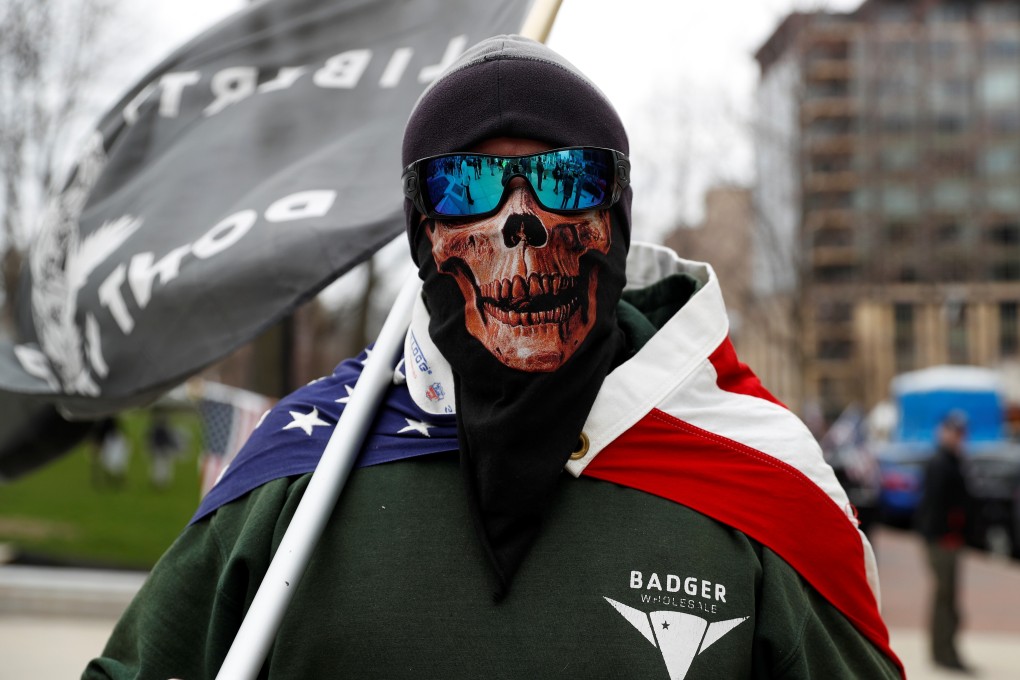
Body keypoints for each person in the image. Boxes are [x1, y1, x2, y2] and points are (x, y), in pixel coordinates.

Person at [84, 36, 902, 679]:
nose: (522, 223)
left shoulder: (761, 480)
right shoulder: (301, 475)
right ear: (420, 233)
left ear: (619, 213)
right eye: (464, 186)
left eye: (567, 179)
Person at [915, 410, 973, 672]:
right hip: (942, 540)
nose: (958, 437)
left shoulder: (952, 460)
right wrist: (946, 533)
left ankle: (945, 650)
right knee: (945, 597)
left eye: (961, 432)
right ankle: (944, 652)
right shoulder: (941, 463)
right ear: (943, 432)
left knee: (947, 597)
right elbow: (936, 506)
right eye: (954, 431)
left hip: (948, 538)